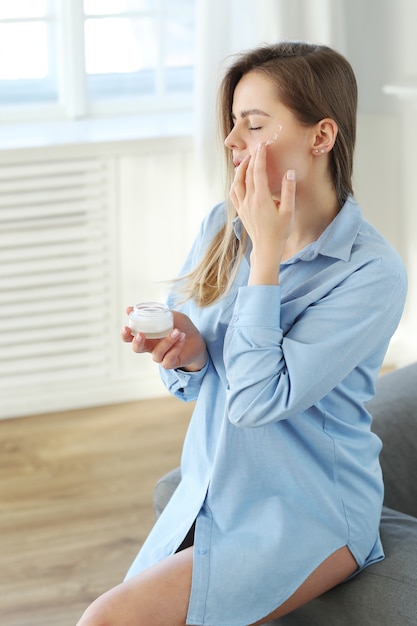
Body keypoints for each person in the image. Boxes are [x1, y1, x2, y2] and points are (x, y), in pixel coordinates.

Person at [76, 41, 407, 626]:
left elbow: (257, 400)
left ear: (320, 136)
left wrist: (266, 256)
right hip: (217, 485)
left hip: (312, 509)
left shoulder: (370, 272)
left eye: (254, 125)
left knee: (107, 619)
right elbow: (194, 385)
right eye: (233, 125)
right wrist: (187, 350)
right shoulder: (220, 225)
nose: (231, 143)